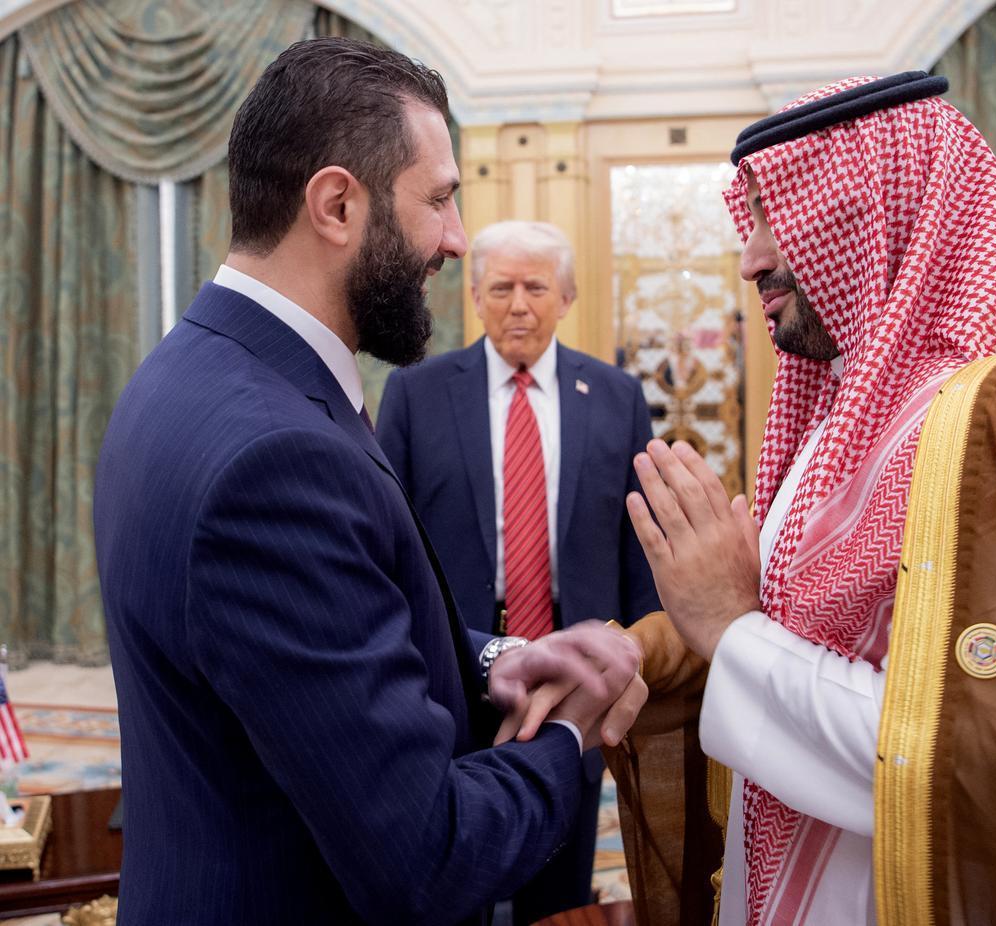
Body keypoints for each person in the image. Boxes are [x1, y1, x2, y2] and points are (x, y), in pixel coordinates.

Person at [620, 72, 996, 924]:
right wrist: (637, 656)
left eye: (772, 214)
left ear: (866, 208)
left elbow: (990, 756)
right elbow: (776, 630)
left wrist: (730, 630)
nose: (748, 257)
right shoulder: (834, 422)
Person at [93, 38, 646, 926]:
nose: (456, 242)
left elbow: (326, 638)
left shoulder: (198, 373)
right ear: (338, 204)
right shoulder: (274, 461)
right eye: (438, 200)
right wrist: (575, 727)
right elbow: (426, 856)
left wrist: (499, 660)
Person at [377, 219, 661, 923]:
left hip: (576, 682)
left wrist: (638, 657)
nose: (518, 304)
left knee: (556, 887)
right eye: (500, 287)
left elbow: (638, 548)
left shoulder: (618, 397)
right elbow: (388, 541)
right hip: (455, 673)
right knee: (449, 874)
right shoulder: (417, 393)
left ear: (565, 296)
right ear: (474, 296)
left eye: (536, 287)